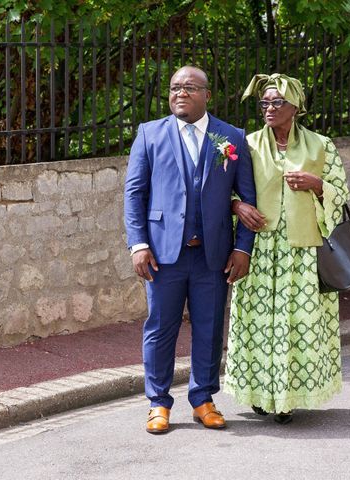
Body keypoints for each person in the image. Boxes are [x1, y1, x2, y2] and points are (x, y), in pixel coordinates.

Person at [124, 66, 256, 434]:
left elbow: (247, 197)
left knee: (210, 328)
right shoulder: (150, 134)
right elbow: (135, 193)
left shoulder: (231, 137)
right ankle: (158, 403)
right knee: (160, 328)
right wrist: (138, 244)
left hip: (212, 255)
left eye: (189, 87)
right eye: (174, 88)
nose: (180, 93)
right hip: (163, 256)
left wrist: (243, 248)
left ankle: (202, 398)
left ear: (207, 95)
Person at [224, 73, 350, 424]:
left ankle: (288, 398)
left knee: (296, 324)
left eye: (277, 103)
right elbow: (222, 187)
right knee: (259, 324)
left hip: (303, 251)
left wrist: (317, 184)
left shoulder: (321, 145)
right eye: (264, 103)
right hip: (260, 248)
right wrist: (237, 206)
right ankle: (261, 395)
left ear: (295, 107)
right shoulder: (246, 145)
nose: (268, 108)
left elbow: (341, 196)